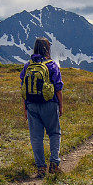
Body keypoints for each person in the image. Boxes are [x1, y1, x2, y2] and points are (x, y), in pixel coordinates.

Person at [20, 37, 64, 177]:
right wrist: (60, 106)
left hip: (32, 104)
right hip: (49, 104)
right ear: (47, 48)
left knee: (36, 137)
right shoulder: (52, 65)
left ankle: (40, 168)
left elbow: (24, 88)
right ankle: (54, 164)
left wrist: (25, 108)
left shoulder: (28, 66)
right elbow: (58, 88)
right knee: (54, 133)